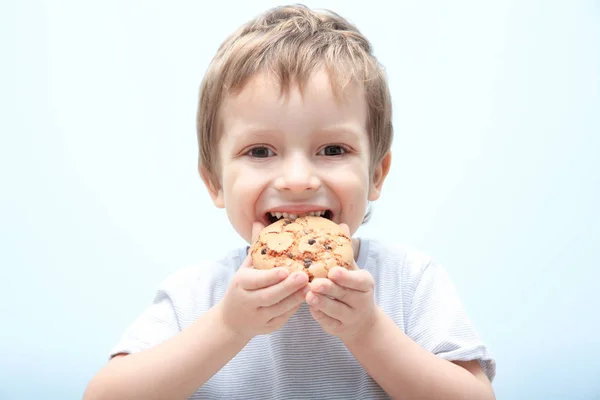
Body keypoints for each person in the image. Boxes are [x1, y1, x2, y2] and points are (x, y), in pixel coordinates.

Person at [84, 4, 496, 399]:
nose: (298, 180)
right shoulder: (195, 297)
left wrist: (368, 331)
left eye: (332, 150)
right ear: (214, 181)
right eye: (260, 152)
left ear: (376, 174)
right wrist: (228, 327)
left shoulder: (410, 282)